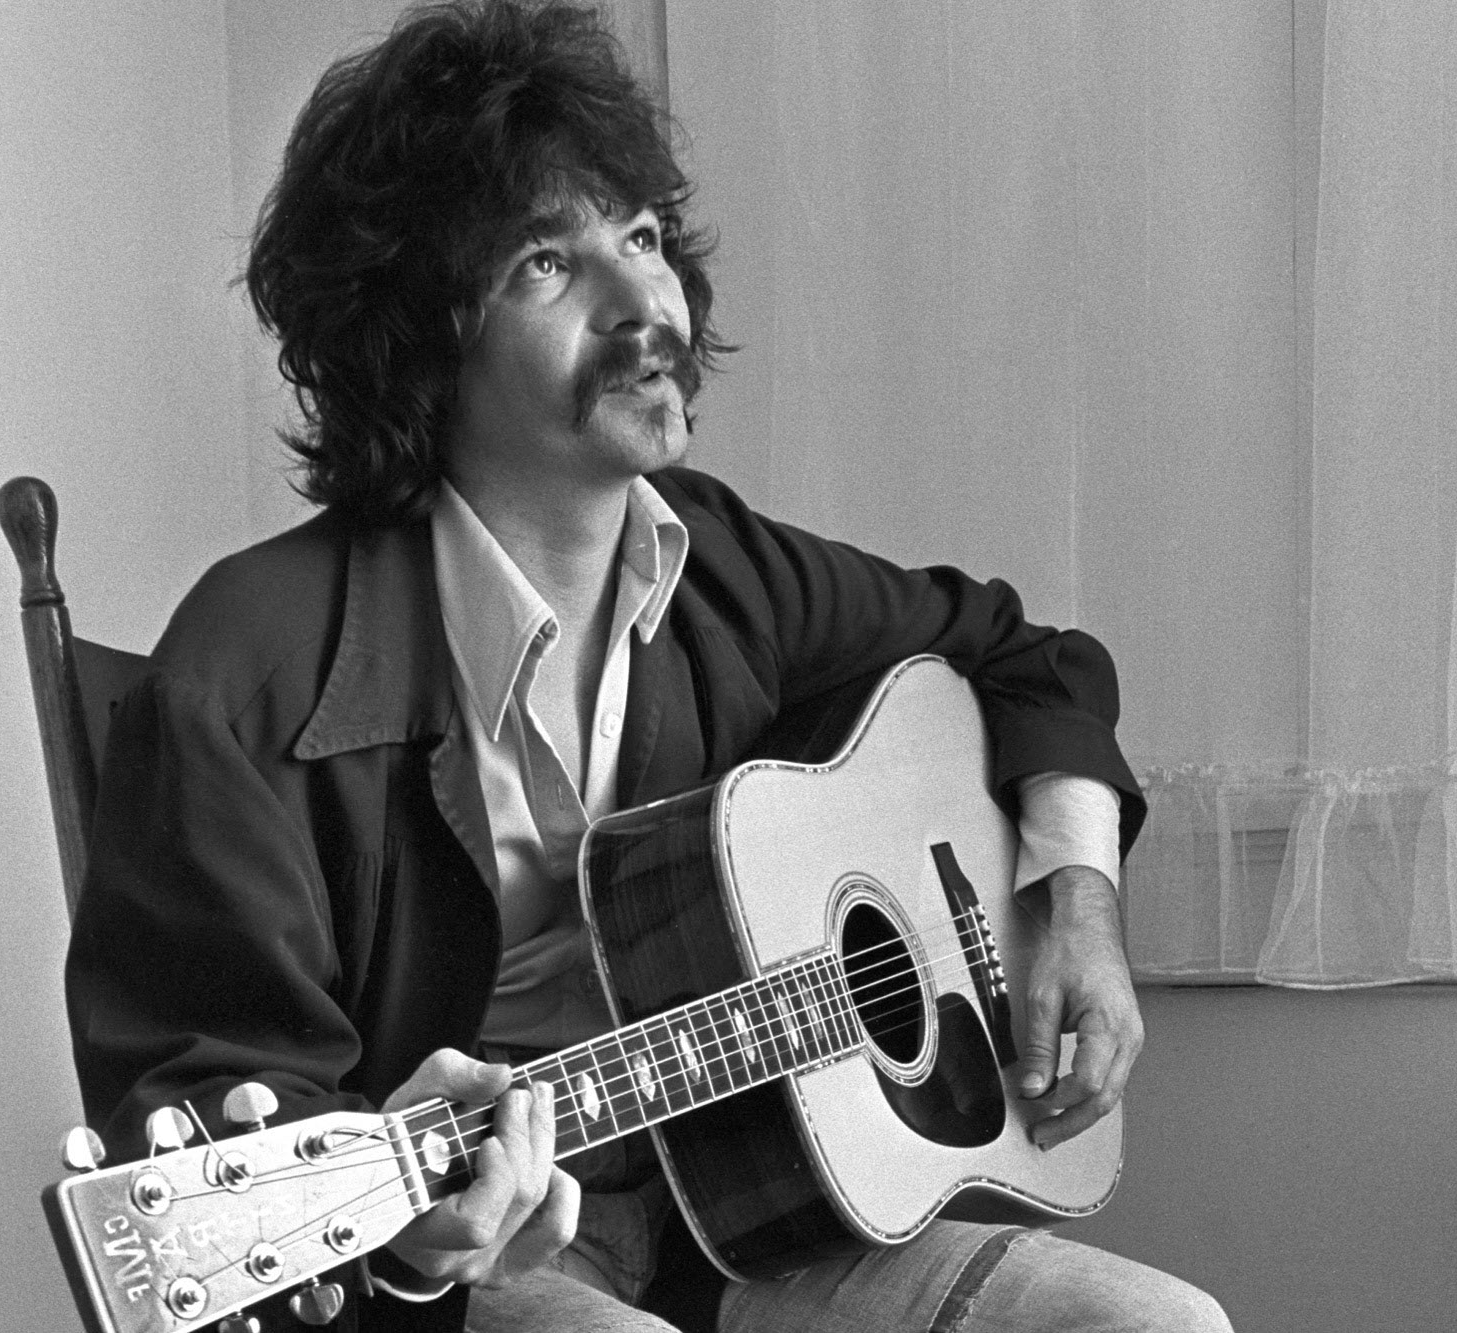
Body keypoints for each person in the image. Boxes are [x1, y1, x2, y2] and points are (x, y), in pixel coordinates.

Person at [65, 3, 1232, 1331]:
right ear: (420, 339)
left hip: (749, 1227)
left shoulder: (720, 565)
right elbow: (215, 1095)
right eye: (547, 265)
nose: (645, 306)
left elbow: (1029, 660)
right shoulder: (248, 671)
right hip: (470, 1284)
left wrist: (1076, 901)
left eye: (640, 237)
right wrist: (416, 1238)